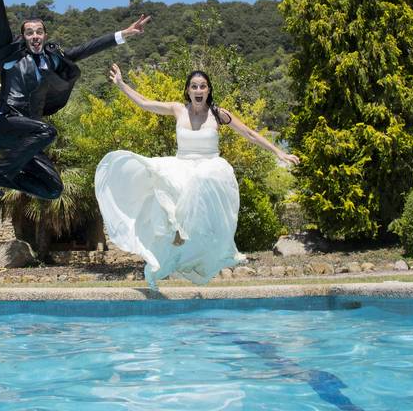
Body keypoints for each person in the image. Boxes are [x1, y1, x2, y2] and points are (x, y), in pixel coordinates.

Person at [0, 0, 151, 200]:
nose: (34, 36)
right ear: (23, 37)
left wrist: (123, 34)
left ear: (45, 35)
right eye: (29, 33)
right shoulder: (12, 57)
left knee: (53, 189)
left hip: (28, 138)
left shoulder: (53, 59)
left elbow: (87, 49)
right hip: (6, 125)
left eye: (39, 32)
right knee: (48, 132)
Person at [95, 65, 299, 288]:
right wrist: (122, 85)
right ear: (188, 91)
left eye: (202, 86)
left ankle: (192, 236)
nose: (198, 90)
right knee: (156, 174)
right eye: (194, 87)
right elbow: (144, 103)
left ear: (209, 90)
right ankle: (177, 231)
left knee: (201, 178)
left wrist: (279, 152)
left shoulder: (218, 114)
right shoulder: (177, 110)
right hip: (182, 164)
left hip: (210, 167)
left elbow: (249, 133)